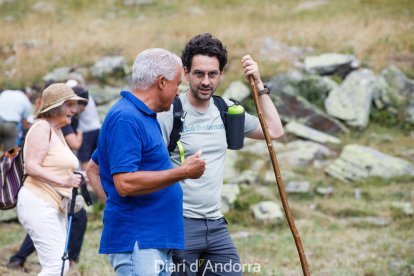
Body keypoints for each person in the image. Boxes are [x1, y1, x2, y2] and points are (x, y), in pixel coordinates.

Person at [156, 33, 284, 275]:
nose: (206, 81)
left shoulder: (226, 110)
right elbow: (151, 166)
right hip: (179, 223)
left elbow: (274, 130)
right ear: (186, 73)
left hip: (215, 224)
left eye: (212, 74)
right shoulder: (169, 114)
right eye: (199, 73)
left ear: (221, 74)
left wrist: (258, 84)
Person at [90, 48, 206, 275]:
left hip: (153, 240)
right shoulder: (126, 118)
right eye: (176, 83)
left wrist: (113, 202)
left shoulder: (143, 116)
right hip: (139, 242)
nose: (179, 91)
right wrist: (183, 172)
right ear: (161, 82)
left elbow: (93, 167)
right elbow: (125, 183)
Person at [7, 85, 90, 272]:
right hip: (38, 202)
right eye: (69, 105)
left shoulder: (57, 130)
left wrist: (80, 176)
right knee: (56, 265)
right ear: (55, 107)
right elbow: (31, 166)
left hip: (53, 205)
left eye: (75, 105)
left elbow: (54, 166)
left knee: (61, 264)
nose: (74, 110)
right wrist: (65, 182)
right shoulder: (42, 127)